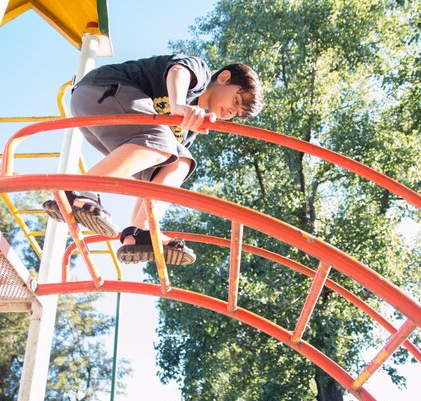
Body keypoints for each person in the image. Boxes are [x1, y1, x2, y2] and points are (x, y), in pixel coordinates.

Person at [42, 54, 264, 265]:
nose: (231, 112)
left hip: (106, 123)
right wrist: (178, 104)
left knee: (181, 161)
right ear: (224, 78)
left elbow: (152, 182)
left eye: (237, 113)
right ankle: (75, 191)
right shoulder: (200, 74)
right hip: (101, 90)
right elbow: (178, 70)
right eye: (236, 100)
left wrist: (142, 228)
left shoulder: (187, 132)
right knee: (162, 142)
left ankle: (142, 232)